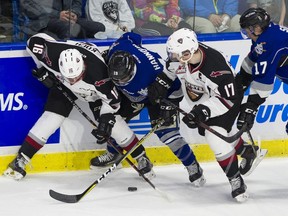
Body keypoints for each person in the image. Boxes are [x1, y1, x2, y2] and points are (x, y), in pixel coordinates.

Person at [3, 32, 154, 180]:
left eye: (76, 76)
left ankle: (141, 157)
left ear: (83, 66)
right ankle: (22, 159)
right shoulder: (51, 54)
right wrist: (43, 70)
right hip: (63, 87)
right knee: (51, 118)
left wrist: (105, 119)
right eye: (70, 77)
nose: (73, 80)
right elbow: (33, 41)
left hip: (93, 94)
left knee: (114, 125)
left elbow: (113, 102)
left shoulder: (100, 75)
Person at [157, 28, 266, 202]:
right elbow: (170, 69)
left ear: (190, 51)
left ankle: (236, 180)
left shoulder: (215, 66)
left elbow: (227, 99)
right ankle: (247, 151)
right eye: (174, 55)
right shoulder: (182, 56)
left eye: (180, 55)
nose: (177, 59)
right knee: (218, 134)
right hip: (205, 99)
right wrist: (161, 83)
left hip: (227, 100)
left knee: (214, 137)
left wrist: (202, 111)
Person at [90, 32, 206, 187]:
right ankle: (114, 153)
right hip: (133, 97)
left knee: (167, 134)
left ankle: (192, 166)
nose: (120, 82)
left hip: (162, 96)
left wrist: (166, 107)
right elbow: (132, 36)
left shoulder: (151, 70)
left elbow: (177, 89)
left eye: (124, 79)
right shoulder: (117, 48)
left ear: (132, 69)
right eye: (117, 79)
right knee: (114, 122)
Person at [236, 8, 288, 137]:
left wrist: (251, 107)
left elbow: (263, 81)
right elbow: (252, 61)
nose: (246, 34)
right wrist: (238, 86)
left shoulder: (271, 41)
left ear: (257, 28)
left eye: (246, 30)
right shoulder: (265, 37)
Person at [19, 0, 105, 39]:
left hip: (67, 19)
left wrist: (74, 13)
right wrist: (57, 15)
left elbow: (76, 3)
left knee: (99, 28)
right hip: (42, 22)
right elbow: (28, 6)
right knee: (68, 28)